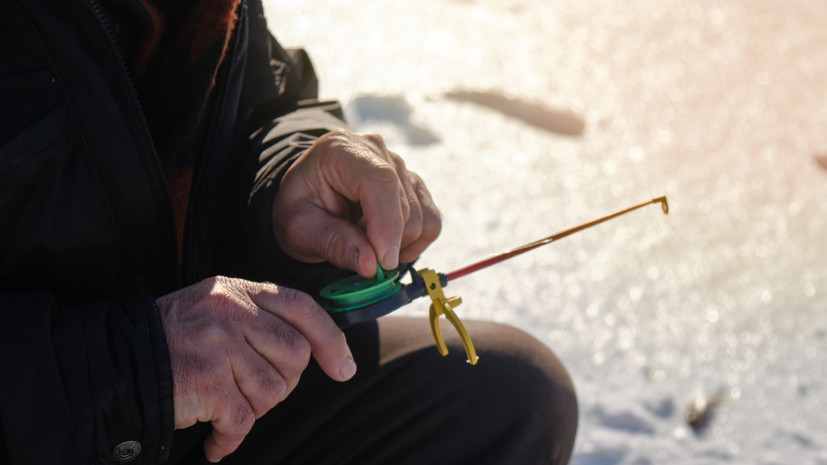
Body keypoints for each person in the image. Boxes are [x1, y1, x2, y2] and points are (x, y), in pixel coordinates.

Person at [0, 0, 578, 464]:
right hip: (59, 414)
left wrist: (288, 175)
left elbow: (264, 93)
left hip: (196, 413)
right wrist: (129, 369)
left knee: (509, 397)